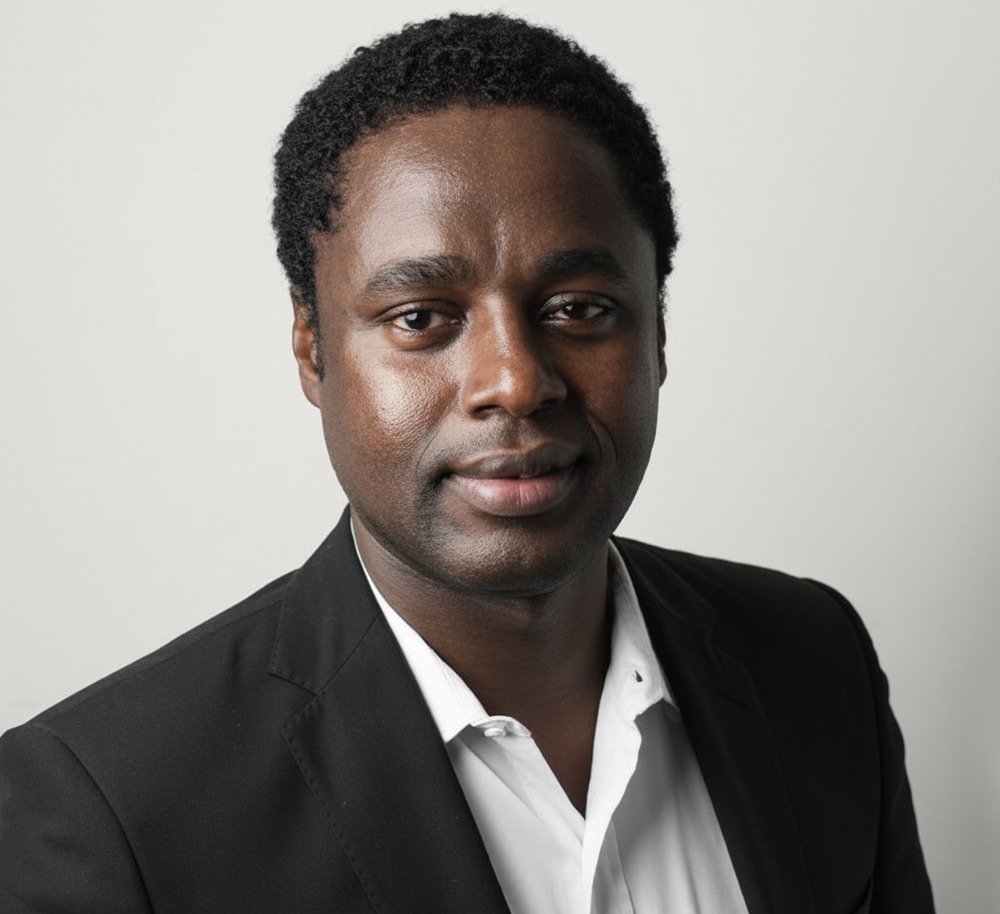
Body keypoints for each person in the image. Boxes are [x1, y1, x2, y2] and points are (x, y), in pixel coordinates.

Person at [0, 12, 934, 913]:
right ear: (312, 350)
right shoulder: (108, 812)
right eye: (421, 319)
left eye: (578, 308)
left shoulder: (815, 660)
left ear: (657, 332)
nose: (516, 383)